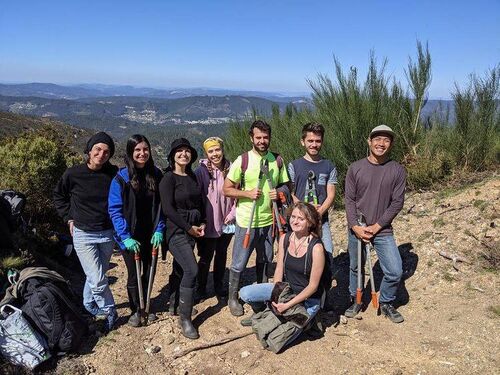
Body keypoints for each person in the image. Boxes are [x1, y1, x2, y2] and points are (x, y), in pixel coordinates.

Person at [223, 120, 289, 317]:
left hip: (270, 221)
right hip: (247, 222)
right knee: (239, 262)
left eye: (265, 137)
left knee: (265, 259)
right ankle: (233, 297)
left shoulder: (277, 160)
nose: (262, 141)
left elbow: (286, 185)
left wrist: (279, 192)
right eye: (258, 137)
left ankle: (259, 296)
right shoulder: (242, 161)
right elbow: (226, 189)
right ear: (251, 137)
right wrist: (247, 193)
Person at [53, 132, 118, 332]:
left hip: (107, 232)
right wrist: (68, 218)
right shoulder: (73, 174)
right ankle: (110, 312)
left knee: (97, 274)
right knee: (98, 278)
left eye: (106, 151)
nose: (101, 154)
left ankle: (89, 304)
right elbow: (59, 196)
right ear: (89, 151)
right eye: (97, 149)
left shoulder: (113, 174)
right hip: (83, 234)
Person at [239, 202, 326, 344]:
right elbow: (279, 268)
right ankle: (266, 314)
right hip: (286, 290)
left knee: (276, 341)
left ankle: (309, 322)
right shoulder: (285, 238)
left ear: (310, 222)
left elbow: (313, 287)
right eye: (293, 217)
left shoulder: (316, 248)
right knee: (245, 294)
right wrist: (276, 295)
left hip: (307, 300)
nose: (295, 221)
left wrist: (287, 305)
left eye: (301, 219)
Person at [344, 124, 406, 323]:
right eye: (377, 139)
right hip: (357, 227)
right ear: (369, 142)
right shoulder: (356, 168)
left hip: (383, 229)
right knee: (355, 267)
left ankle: (386, 301)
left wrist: (378, 226)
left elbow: (397, 202)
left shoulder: (397, 170)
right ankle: (356, 298)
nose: (381, 143)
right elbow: (349, 200)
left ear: (391, 144)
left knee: (395, 271)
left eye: (386, 140)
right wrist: (355, 226)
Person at [108, 134, 165, 327]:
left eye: (145, 149)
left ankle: (147, 306)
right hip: (130, 236)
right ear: (131, 153)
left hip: (150, 233)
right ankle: (135, 309)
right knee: (133, 273)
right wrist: (125, 237)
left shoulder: (156, 175)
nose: (142, 153)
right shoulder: (121, 178)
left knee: (149, 270)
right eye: (137, 150)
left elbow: (161, 206)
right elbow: (115, 210)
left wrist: (159, 229)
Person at [159, 138, 205, 339]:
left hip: (192, 227)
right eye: (179, 151)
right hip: (176, 230)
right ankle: (185, 319)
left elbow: (199, 202)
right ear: (173, 155)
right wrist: (188, 228)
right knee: (191, 269)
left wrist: (202, 222)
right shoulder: (168, 178)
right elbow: (168, 209)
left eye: (187, 151)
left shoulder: (192, 176)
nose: (184, 154)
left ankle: (175, 303)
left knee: (180, 267)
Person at [288, 123, 337, 267]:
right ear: (303, 142)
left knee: (327, 253)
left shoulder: (329, 166)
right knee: (299, 253)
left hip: (322, 220)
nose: (314, 144)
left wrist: (319, 212)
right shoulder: (294, 166)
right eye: (310, 141)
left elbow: (331, 194)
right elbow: (290, 192)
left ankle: (323, 286)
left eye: (318, 141)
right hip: (299, 220)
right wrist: (305, 212)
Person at [194, 137, 235, 300]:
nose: (215, 154)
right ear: (206, 153)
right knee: (206, 256)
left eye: (217, 150)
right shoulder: (201, 172)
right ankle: (201, 287)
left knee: (222, 253)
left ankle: (219, 285)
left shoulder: (232, 169)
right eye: (211, 151)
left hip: (227, 220)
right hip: (209, 222)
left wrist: (232, 215)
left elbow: (238, 195)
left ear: (222, 149)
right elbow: (196, 198)